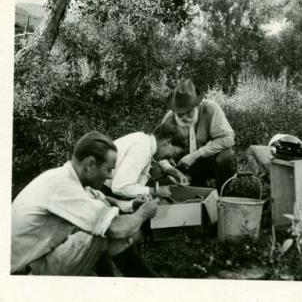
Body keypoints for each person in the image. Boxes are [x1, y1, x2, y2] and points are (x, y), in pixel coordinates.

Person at [11, 131, 159, 276]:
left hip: (34, 260)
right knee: (104, 232)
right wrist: (144, 213)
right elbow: (117, 228)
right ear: (90, 164)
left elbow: (103, 199)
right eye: (108, 169)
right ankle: (149, 286)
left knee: (100, 225)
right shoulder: (63, 186)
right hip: (21, 273)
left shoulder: (67, 178)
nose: (110, 176)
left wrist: (132, 205)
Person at [161, 79, 237, 191]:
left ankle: (223, 194)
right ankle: (193, 187)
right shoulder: (170, 117)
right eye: (180, 114)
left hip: (207, 162)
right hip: (181, 166)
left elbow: (228, 139)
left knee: (226, 157)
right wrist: (171, 170)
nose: (185, 117)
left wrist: (196, 155)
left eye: (188, 112)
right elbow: (158, 149)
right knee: (158, 171)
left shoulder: (210, 108)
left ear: (197, 104)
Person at [103, 122, 187, 199]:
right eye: (174, 153)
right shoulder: (142, 150)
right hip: (102, 190)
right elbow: (120, 187)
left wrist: (174, 171)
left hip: (107, 183)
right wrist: (155, 190)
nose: (171, 158)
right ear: (167, 142)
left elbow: (159, 158)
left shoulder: (145, 140)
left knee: (156, 171)